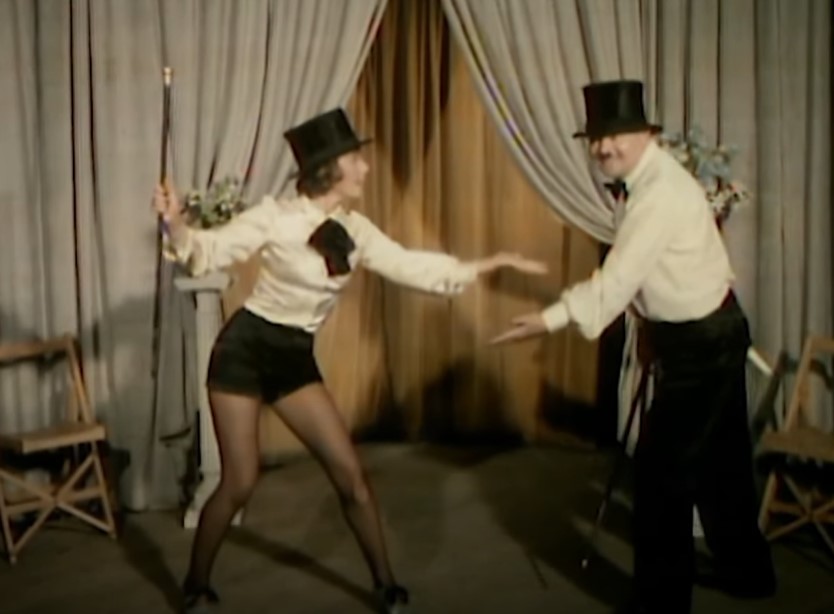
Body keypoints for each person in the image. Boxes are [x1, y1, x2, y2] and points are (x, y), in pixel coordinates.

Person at [154, 107, 547, 613]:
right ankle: (196, 584)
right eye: (356, 159)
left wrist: (483, 265)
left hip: (294, 357)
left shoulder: (355, 230)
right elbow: (207, 249)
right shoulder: (275, 217)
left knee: (352, 477)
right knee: (240, 481)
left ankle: (386, 586)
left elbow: (408, 265)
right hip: (244, 352)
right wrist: (175, 225)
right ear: (329, 170)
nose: (365, 167)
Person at [490, 81, 776, 613]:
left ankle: (661, 604)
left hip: (703, 341)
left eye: (617, 135)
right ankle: (749, 573)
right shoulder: (643, 182)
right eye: (596, 138)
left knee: (662, 477)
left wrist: (549, 318)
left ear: (646, 134)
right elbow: (651, 277)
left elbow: (619, 279)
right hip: (704, 331)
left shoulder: (660, 194)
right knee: (722, 461)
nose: (604, 147)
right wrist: (649, 331)